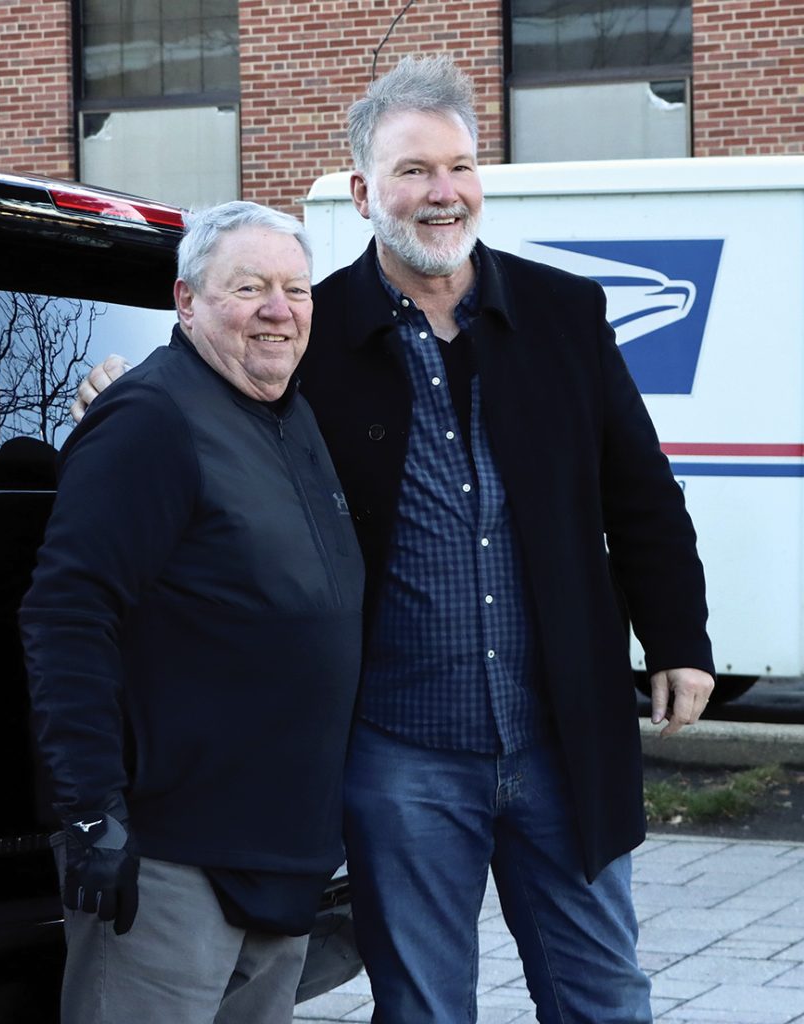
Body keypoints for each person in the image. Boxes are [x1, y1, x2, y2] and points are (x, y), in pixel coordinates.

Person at [74, 56, 715, 1024]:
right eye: (413, 170)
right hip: (399, 747)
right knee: (423, 1005)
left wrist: (679, 640)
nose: (442, 192)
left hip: (558, 731)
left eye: (458, 166)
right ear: (366, 190)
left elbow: (639, 490)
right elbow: (211, 405)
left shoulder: (563, 313)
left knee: (604, 994)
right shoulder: (313, 332)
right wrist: (111, 403)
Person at [20, 201, 364, 1024]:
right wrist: (93, 810)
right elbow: (67, 613)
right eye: (249, 288)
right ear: (186, 302)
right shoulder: (152, 418)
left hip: (280, 854)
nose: (279, 310)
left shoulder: (290, 415)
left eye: (295, 288)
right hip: (170, 858)